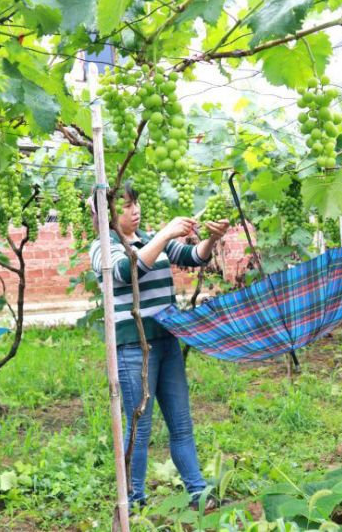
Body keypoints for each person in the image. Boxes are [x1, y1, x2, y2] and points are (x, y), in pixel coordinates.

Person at [88, 183, 230, 510]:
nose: (134, 210)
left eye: (135, 203)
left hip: (167, 340)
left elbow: (194, 256)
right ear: (107, 213)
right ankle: (134, 502)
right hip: (133, 348)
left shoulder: (149, 238)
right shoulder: (101, 247)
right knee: (140, 426)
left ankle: (198, 493)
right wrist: (165, 234)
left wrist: (213, 237)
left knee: (181, 423)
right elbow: (127, 271)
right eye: (125, 206)